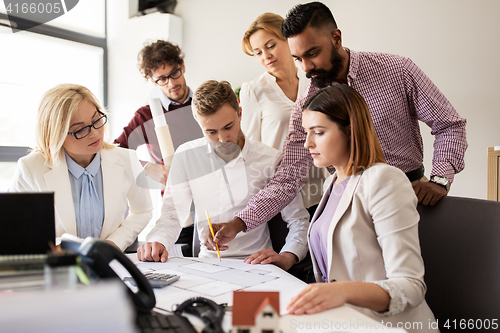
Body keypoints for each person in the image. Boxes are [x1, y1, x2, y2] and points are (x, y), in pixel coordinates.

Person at [208, 1, 468, 249]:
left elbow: (449, 124)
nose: (307, 68)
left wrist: (440, 179)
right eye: (298, 58)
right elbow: (288, 178)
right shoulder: (306, 106)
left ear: (336, 38)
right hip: (347, 206)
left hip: (409, 197)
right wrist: (239, 222)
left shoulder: (397, 70)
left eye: (312, 54)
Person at [285, 85, 438, 332]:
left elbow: (411, 287)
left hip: (387, 326)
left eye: (319, 132)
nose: (307, 143)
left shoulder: (384, 180)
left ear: (350, 131)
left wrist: (340, 292)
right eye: (306, 133)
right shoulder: (331, 182)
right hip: (341, 322)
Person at [137, 80, 309, 271]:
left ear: (240, 113)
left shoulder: (270, 159)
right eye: (211, 132)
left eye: (229, 127)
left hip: (258, 265)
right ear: (199, 125)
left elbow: (298, 221)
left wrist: (288, 256)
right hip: (207, 264)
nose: (222, 139)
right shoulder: (186, 156)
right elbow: (172, 215)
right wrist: (158, 241)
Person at [9, 84, 153, 251]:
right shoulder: (31, 168)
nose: (94, 133)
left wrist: (113, 244)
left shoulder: (126, 159)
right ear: (56, 135)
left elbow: (143, 211)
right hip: (59, 267)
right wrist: (56, 247)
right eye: (80, 129)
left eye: (96, 120)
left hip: (108, 263)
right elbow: (15, 226)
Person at [114, 39, 203, 255]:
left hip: (213, 201)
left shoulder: (205, 103)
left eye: (174, 73)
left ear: (183, 66)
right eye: (162, 79)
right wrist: (147, 168)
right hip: (177, 211)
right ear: (152, 81)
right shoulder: (146, 115)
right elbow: (116, 150)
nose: (171, 83)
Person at [240, 12, 327, 211]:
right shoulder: (254, 90)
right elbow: (249, 149)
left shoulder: (313, 80)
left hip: (317, 188)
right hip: (279, 193)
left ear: (288, 40)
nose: (266, 56)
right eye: (258, 52)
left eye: (270, 46)